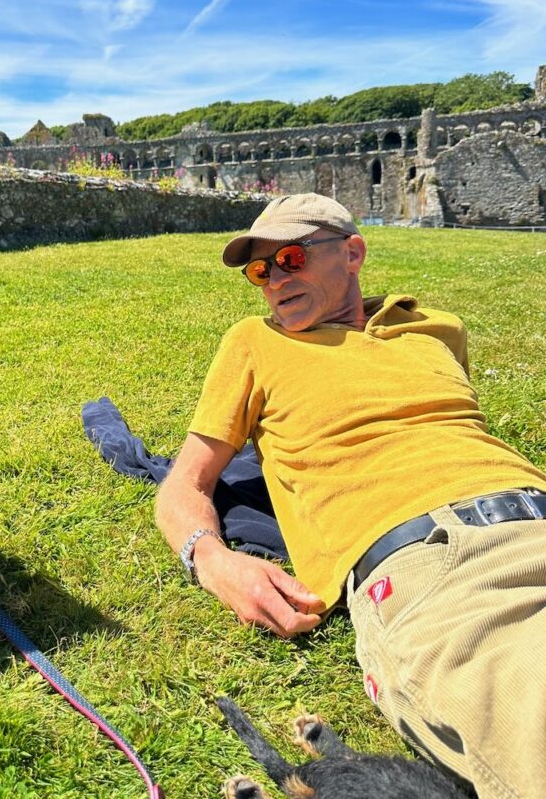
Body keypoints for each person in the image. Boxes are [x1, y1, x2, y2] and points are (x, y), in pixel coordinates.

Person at [155, 192, 546, 799]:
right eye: (260, 271)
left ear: (353, 253)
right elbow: (183, 485)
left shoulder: (436, 331)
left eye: (289, 257)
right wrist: (213, 560)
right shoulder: (254, 344)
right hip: (437, 565)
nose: (273, 281)